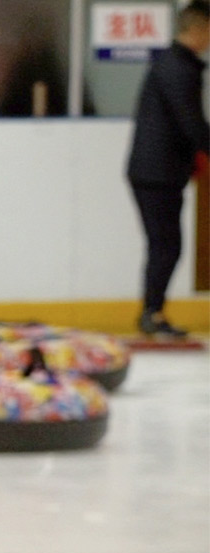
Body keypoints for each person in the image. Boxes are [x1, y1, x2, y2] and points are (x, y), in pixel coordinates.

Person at [126, 1, 210, 340]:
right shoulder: (178, 68)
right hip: (156, 173)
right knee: (165, 245)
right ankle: (152, 314)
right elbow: (190, 123)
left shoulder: (177, 64)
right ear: (198, 29)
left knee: (165, 245)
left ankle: (153, 312)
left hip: (159, 171)